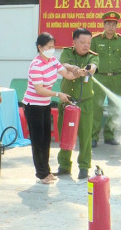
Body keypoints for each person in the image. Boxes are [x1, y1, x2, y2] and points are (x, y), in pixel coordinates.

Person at [22, 32, 86, 184]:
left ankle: (47, 171)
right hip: (33, 106)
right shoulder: (36, 65)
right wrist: (58, 94)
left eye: (53, 47)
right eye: (49, 47)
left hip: (44, 105)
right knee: (38, 141)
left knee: (46, 140)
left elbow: (68, 75)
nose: (52, 50)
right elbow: (39, 89)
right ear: (40, 47)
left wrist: (79, 73)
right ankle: (41, 173)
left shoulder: (53, 61)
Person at [53, 28, 99, 179]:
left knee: (85, 136)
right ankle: (64, 166)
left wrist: (90, 69)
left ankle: (84, 167)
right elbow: (64, 64)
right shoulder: (66, 52)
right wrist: (74, 69)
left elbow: (94, 65)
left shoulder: (93, 57)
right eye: (82, 42)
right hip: (67, 102)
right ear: (74, 42)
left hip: (85, 103)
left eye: (89, 42)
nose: (86, 45)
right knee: (65, 135)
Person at [90, 11, 121, 148]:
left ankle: (109, 136)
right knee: (97, 107)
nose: (111, 27)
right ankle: (93, 137)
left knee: (115, 107)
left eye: (114, 24)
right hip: (99, 77)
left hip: (116, 78)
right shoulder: (95, 40)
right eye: (108, 24)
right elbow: (90, 58)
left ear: (117, 26)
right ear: (104, 25)